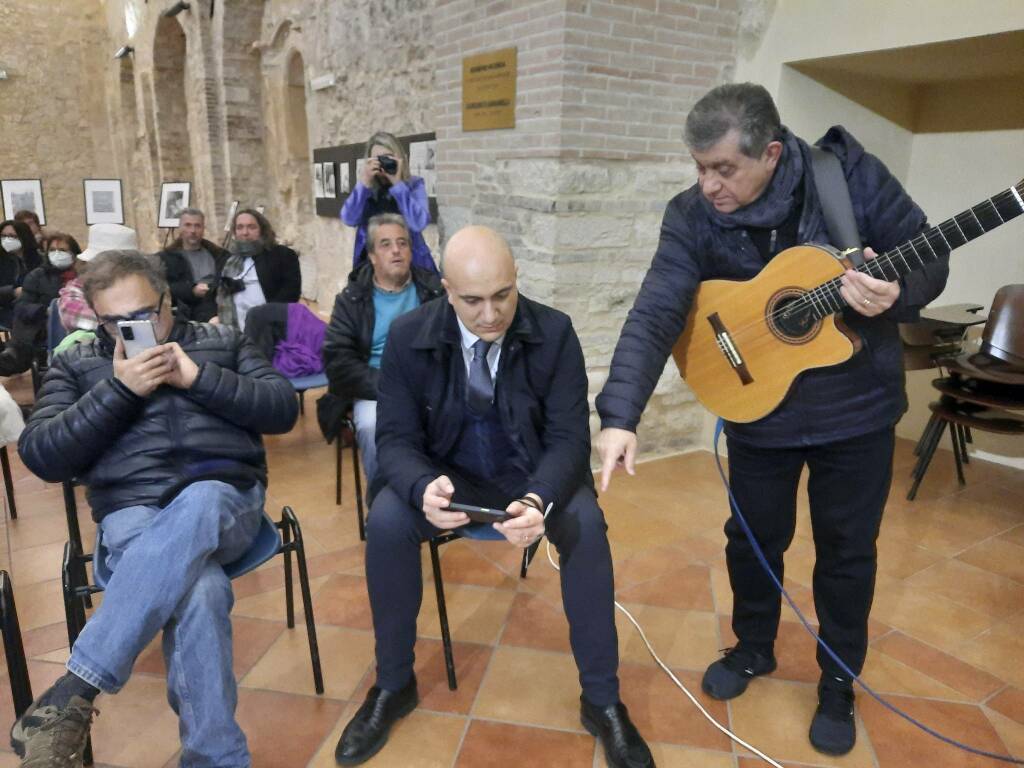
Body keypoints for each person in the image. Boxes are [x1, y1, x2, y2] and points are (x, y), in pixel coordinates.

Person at [595, 83, 949, 757]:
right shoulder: (692, 216)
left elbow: (930, 253)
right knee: (752, 539)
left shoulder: (847, 179)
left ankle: (838, 683)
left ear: (773, 152)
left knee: (847, 555)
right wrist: (620, 413)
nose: (708, 185)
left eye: (723, 169)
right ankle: (754, 646)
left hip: (858, 413)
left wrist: (899, 291)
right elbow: (657, 309)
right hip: (758, 408)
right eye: (698, 168)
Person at [333, 226, 654, 768]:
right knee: (388, 519)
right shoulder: (411, 336)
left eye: (502, 295)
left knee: (587, 527)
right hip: (447, 478)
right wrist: (418, 487)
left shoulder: (554, 332)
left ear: (516, 282)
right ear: (447, 289)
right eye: (472, 300)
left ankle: (602, 700)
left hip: (531, 477)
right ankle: (393, 684)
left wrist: (539, 497)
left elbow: (570, 440)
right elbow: (395, 439)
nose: (489, 315)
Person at [12, 250, 298, 767]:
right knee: (203, 587)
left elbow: (282, 408)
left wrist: (199, 379)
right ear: (97, 319)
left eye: (144, 315)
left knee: (204, 495)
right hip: (132, 511)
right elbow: (43, 454)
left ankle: (76, 684)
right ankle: (217, 760)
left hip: (227, 504)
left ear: (167, 301)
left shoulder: (221, 341)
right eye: (116, 322)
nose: (133, 330)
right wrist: (120, 391)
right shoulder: (76, 364)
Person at [322, 213, 443, 488]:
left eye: (402, 243)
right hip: (375, 388)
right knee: (372, 427)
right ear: (373, 256)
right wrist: (391, 387)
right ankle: (384, 499)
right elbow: (338, 362)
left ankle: (439, 494)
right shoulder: (352, 300)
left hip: (428, 386)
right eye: (386, 245)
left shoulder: (433, 292)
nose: (396, 250)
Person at [340, 131, 437, 273]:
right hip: (371, 265)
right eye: (378, 159)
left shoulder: (414, 185)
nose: (383, 164)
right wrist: (364, 183)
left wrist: (398, 185)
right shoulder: (366, 188)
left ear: (399, 158)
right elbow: (349, 218)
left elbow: (419, 223)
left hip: (411, 264)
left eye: (388, 158)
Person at [0, 232, 81, 375]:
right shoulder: (37, 276)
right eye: (52, 250)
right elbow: (21, 307)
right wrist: (46, 310)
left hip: (79, 325)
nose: (57, 254)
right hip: (45, 326)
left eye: (62, 250)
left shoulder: (83, 275)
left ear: (73, 254)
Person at [215, 208, 301, 332]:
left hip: (269, 326)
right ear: (234, 231)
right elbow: (216, 291)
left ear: (262, 230)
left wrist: (264, 315)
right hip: (234, 327)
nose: (245, 232)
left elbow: (291, 293)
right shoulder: (227, 259)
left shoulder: (282, 255)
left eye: (251, 227)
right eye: (240, 227)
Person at [159, 207, 229, 322]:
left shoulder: (219, 255)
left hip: (218, 304)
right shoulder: (166, 258)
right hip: (187, 310)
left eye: (197, 226)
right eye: (188, 225)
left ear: (203, 228)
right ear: (180, 228)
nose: (193, 230)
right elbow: (162, 289)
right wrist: (191, 291)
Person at [0, 219, 39, 327]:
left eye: (12, 236)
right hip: (6, 308)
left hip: (35, 306)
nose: (7, 240)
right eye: (3, 236)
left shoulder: (38, 259)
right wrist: (12, 292)